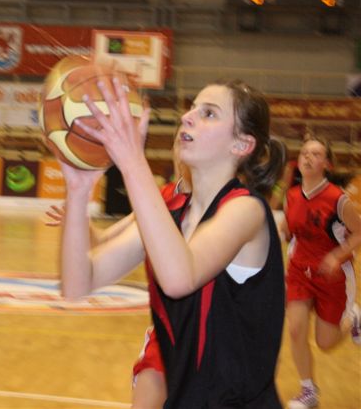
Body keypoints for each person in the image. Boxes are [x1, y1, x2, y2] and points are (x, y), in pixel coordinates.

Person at [59, 78, 286, 408]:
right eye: (192, 108)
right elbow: (78, 283)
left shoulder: (246, 211)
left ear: (241, 144)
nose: (187, 117)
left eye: (209, 113)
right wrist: (77, 191)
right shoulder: (170, 213)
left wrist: (133, 162)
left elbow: (180, 278)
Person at [46, 130, 191, 409]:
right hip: (166, 337)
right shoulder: (160, 198)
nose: (180, 145)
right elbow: (103, 241)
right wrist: (77, 218)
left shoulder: (234, 207)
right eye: (177, 139)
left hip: (212, 344)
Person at [280, 134, 361, 409]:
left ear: (327, 164)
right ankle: (308, 390)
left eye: (316, 154)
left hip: (332, 277)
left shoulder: (337, 199)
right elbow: (289, 231)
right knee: (295, 329)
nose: (308, 158)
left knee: (325, 343)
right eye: (305, 153)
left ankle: (354, 316)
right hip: (299, 271)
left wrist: (337, 256)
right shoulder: (291, 195)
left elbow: (359, 232)